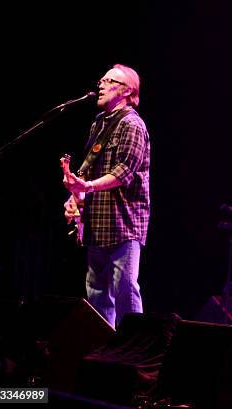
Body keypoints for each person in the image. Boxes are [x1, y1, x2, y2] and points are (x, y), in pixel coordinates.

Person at [63, 64, 150, 328]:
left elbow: (123, 172)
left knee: (125, 290)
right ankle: (101, 351)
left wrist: (87, 186)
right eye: (100, 79)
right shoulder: (99, 124)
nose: (100, 84)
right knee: (96, 294)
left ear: (126, 91)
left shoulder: (132, 124)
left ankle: (134, 350)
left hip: (123, 224)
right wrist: (75, 197)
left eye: (108, 80)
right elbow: (88, 168)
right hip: (97, 223)